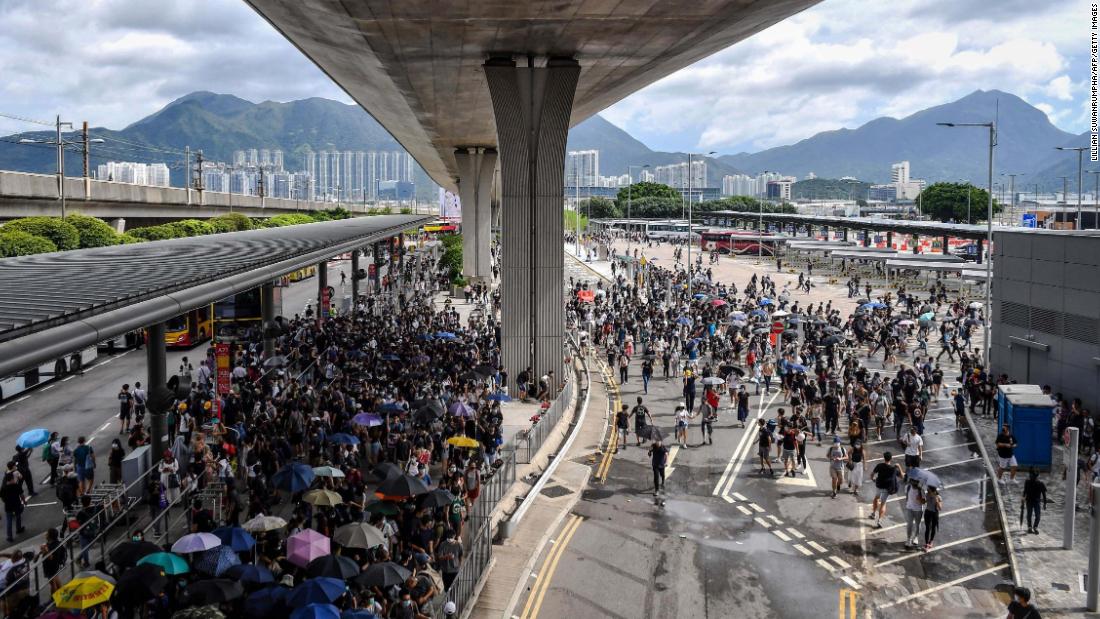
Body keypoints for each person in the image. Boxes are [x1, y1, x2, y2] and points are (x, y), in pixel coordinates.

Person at [870, 451, 901, 528]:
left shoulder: (880, 466)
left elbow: (872, 474)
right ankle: (879, 520)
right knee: (883, 503)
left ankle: (873, 513)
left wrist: (873, 479)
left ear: (884, 458)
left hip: (879, 486)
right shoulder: (893, 469)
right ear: (891, 458)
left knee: (876, 498)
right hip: (887, 488)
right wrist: (899, 466)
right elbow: (902, 476)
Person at [0, 462, 24, 543]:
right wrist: (24, 501)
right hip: (16, 504)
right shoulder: (16, 486)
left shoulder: (3, 488)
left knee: (9, 521)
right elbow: (21, 495)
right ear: (11, 479)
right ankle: (19, 529)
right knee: (18, 516)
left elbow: (2, 498)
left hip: (8, 506)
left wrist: (5, 501)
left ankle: (9, 536)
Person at [1022, 469, 1047, 534]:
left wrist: (1045, 503)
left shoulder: (1041, 484)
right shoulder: (1027, 482)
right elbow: (1025, 491)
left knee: (1037, 515)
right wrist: (1023, 498)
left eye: (1031, 475)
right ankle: (1029, 527)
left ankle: (1035, 527)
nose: (1030, 476)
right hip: (1029, 501)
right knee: (1029, 515)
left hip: (1036, 502)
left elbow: (1044, 494)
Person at [903, 478, 924, 549]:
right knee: (909, 524)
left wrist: (920, 499)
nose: (914, 483)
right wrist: (908, 504)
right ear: (911, 481)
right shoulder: (907, 487)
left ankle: (916, 537)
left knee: (918, 524)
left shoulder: (921, 490)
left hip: (918, 510)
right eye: (913, 481)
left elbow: (924, 502)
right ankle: (908, 539)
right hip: (909, 508)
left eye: (916, 481)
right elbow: (907, 497)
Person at [923, 485, 942, 550]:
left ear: (932, 490)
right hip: (927, 512)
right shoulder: (927, 494)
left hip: (934, 513)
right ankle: (926, 543)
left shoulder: (938, 497)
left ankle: (931, 541)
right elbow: (923, 502)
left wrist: (937, 502)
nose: (927, 489)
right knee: (927, 528)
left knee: (933, 527)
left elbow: (940, 508)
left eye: (928, 488)